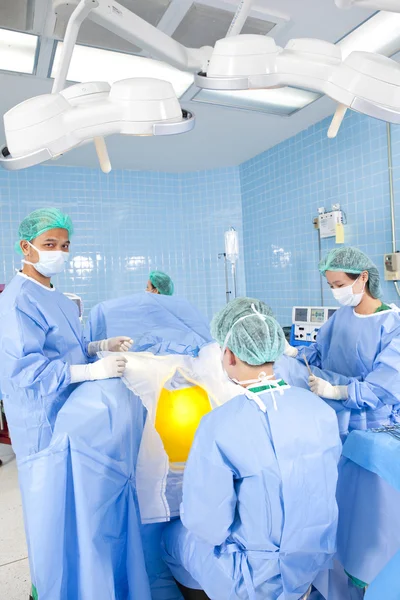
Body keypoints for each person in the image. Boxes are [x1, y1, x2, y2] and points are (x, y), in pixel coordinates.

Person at [162, 297, 341, 600]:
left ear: (228, 355)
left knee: (171, 539)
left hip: (256, 577)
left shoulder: (220, 425)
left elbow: (208, 525)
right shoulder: (319, 409)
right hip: (311, 564)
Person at [0, 207, 133, 461]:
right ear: (26, 247)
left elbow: (69, 347)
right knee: (49, 491)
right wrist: (93, 371)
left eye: (65, 245)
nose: (59, 253)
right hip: (42, 419)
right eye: (50, 244)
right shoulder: (18, 301)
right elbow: (26, 370)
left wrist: (101, 345)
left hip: (71, 408)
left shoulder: (56, 296)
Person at [285, 246, 400, 431]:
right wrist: (293, 352)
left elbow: (387, 385)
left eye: (340, 285)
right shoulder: (341, 316)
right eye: (331, 286)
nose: (335, 291)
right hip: (334, 415)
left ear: (363, 277)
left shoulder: (393, 325)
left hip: (373, 423)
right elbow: (321, 353)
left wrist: (338, 391)